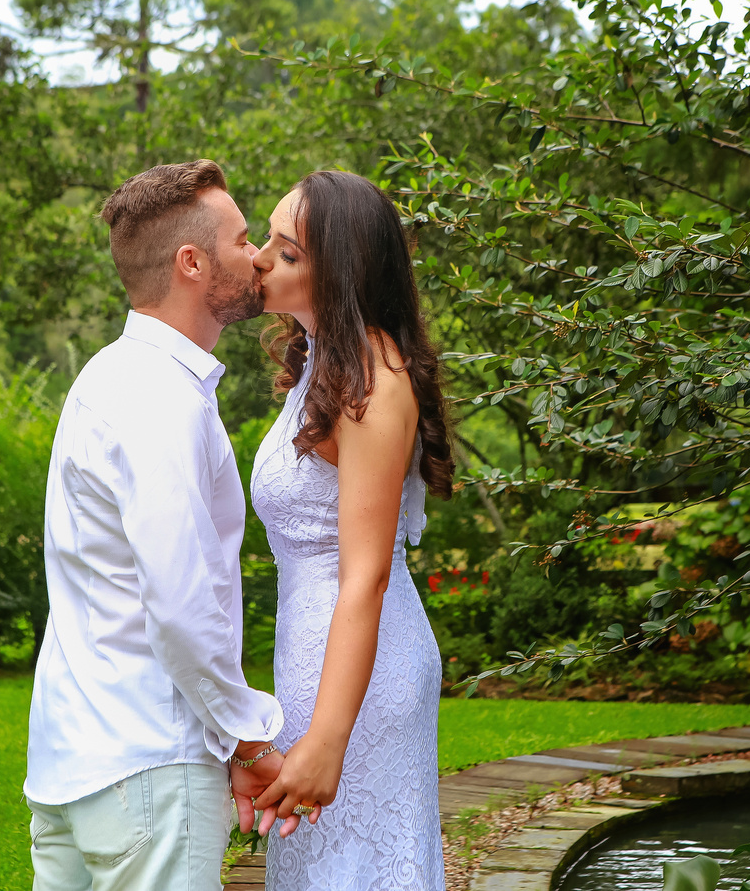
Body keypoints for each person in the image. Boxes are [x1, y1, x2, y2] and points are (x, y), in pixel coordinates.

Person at [23, 159, 311, 891]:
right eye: (241, 239)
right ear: (191, 262)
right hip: (148, 763)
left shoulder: (105, 376)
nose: (258, 256)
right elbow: (182, 604)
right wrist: (248, 741)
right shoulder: (163, 399)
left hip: (70, 763)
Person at [247, 170, 454, 890]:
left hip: (363, 679)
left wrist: (329, 737)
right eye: (267, 239)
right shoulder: (324, 362)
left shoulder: (374, 377)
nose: (260, 260)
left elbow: (366, 573)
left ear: (340, 273)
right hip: (313, 661)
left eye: (288, 253)